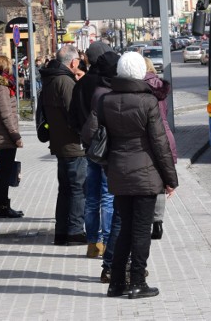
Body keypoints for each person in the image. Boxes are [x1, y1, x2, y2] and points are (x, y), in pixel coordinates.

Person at [91, 51, 178, 299]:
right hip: (146, 175)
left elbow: (93, 135)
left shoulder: (105, 100)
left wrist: (109, 164)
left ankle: (116, 282)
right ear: (141, 73)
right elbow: (160, 144)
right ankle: (137, 281)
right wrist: (171, 179)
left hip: (118, 173)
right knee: (141, 231)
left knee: (124, 229)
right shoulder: (147, 101)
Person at [68, 41, 116, 258]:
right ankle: (106, 241)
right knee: (107, 196)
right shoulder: (109, 83)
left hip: (89, 147)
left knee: (92, 197)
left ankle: (91, 243)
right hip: (108, 146)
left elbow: (74, 115)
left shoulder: (82, 83)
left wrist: (84, 136)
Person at [40, 45, 87, 246]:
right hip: (73, 145)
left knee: (66, 189)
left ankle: (61, 232)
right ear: (73, 62)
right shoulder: (65, 82)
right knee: (77, 189)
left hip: (59, 144)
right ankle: (75, 231)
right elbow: (74, 113)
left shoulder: (50, 80)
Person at [143, 57, 177, 240]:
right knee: (161, 182)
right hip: (164, 134)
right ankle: (158, 222)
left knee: (148, 181)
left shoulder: (138, 87)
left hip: (147, 137)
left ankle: (147, 220)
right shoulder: (160, 88)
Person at [0, 55, 24, 218]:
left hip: (1, 137)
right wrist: (15, 135)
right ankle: (3, 207)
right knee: (4, 175)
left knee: (3, 174)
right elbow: (6, 114)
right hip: (4, 139)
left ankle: (3, 205)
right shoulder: (2, 88)